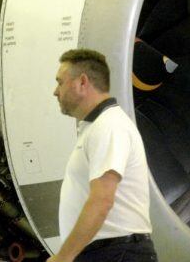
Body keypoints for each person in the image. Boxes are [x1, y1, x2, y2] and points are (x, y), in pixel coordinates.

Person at [49, 49, 157, 262]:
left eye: (60, 82)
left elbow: (102, 200)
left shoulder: (109, 126)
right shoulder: (97, 127)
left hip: (115, 254)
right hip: (109, 253)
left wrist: (63, 257)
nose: (55, 91)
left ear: (82, 82)